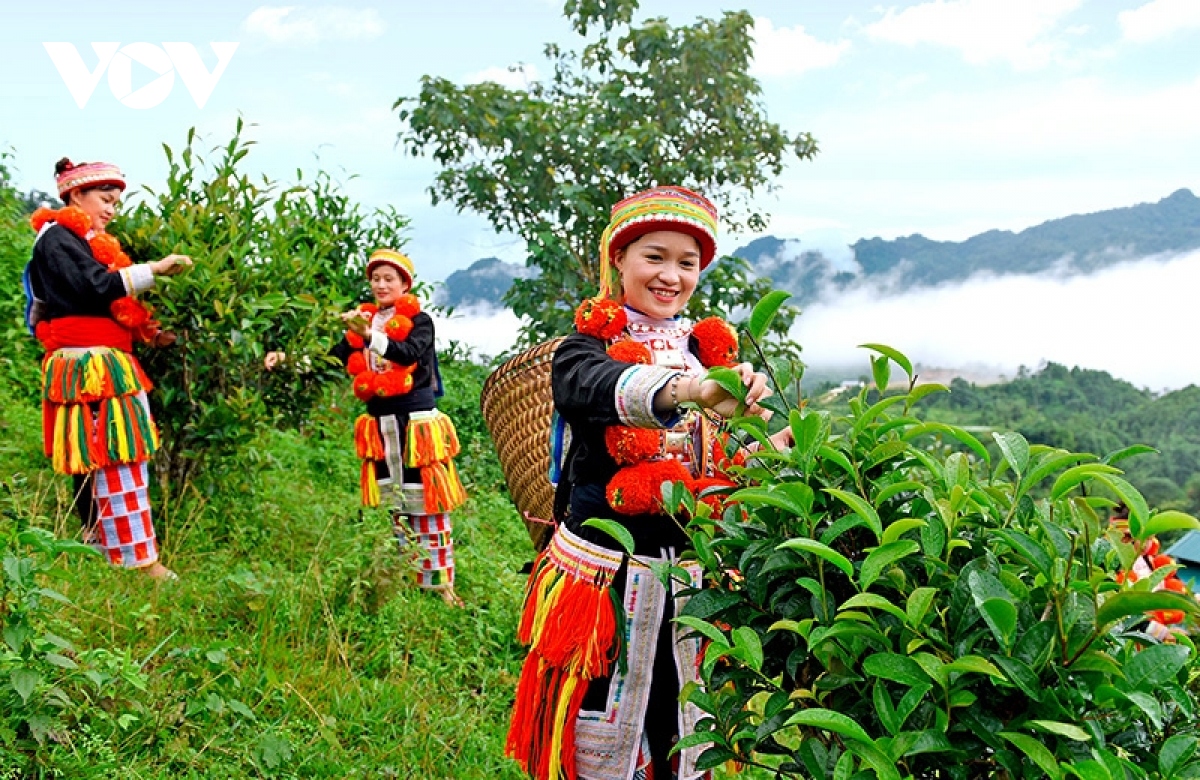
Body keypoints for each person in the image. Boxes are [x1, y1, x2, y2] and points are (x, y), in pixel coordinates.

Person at [505, 186, 792, 780]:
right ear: (620, 260)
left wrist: (781, 452)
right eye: (653, 256)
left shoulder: (708, 353)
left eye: (687, 263)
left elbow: (726, 463)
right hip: (608, 572)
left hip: (694, 575)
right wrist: (689, 392)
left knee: (681, 717)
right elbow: (587, 386)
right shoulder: (585, 348)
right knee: (601, 716)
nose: (670, 276)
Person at [24, 158, 192, 579]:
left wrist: (150, 335)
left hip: (101, 360)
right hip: (90, 365)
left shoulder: (83, 242)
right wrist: (152, 271)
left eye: (117, 201)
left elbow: (108, 303)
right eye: (105, 198)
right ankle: (137, 560)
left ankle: (104, 547)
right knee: (113, 452)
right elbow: (94, 289)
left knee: (100, 453)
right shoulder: (58, 238)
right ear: (75, 195)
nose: (113, 208)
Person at [316, 248, 467, 607]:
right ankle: (405, 580)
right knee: (396, 508)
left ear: (404, 284)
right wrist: (289, 360)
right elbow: (332, 358)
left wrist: (369, 334)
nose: (381, 284)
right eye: (376, 278)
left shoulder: (421, 321)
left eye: (389, 278)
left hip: (416, 426)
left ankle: (442, 588)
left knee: (428, 504)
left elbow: (408, 354)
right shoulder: (361, 325)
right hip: (381, 426)